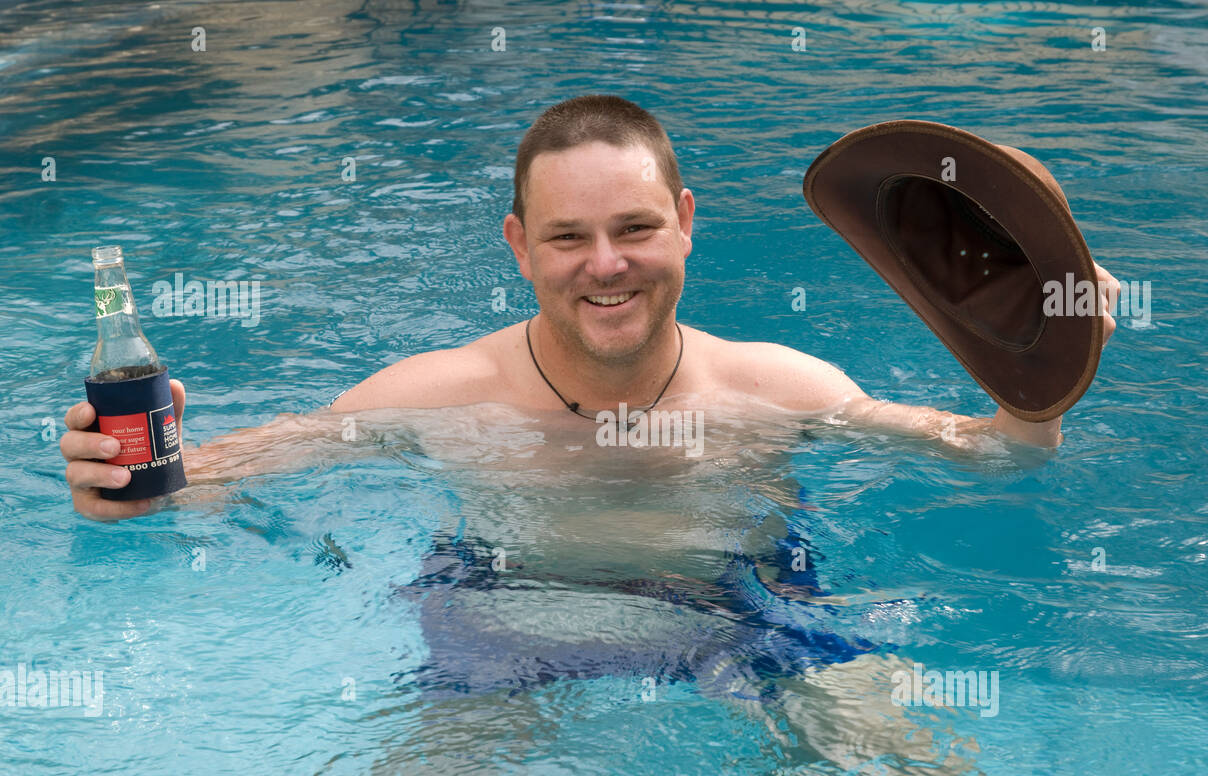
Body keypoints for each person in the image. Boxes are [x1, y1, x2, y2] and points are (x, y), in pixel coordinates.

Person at [61, 94, 1116, 522]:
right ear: (519, 246)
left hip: (749, 619)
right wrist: (126, 478)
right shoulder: (432, 395)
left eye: (636, 229)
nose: (604, 266)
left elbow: (997, 456)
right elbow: (195, 486)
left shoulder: (780, 384)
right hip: (499, 620)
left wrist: (1043, 366)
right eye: (567, 237)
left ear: (687, 221)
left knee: (909, 767)